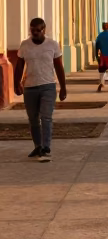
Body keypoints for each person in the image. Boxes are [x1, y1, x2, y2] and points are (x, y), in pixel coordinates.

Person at [14, 18, 67, 162]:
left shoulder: (52, 45)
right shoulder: (25, 45)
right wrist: (16, 83)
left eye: (38, 30)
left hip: (48, 86)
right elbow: (19, 65)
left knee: (46, 117)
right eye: (32, 30)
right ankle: (38, 146)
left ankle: (46, 147)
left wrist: (63, 87)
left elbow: (59, 67)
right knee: (33, 119)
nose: (35, 33)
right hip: (30, 87)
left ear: (44, 30)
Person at [94, 22, 108, 93]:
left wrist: (97, 56)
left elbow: (97, 46)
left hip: (103, 57)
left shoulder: (100, 35)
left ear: (103, 28)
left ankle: (101, 84)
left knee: (101, 71)